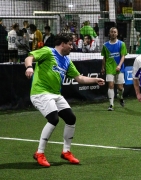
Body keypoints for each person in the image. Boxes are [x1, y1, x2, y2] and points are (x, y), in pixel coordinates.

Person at [24, 33, 105, 167]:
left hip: (55, 94)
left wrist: (95, 80)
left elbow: (80, 78)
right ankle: (40, 153)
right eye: (70, 44)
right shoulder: (48, 51)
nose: (72, 47)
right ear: (63, 44)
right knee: (54, 119)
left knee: (70, 118)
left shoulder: (67, 61)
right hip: (40, 93)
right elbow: (29, 57)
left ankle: (66, 152)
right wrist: (29, 67)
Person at [101, 27, 127, 111]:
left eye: (115, 32)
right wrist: (103, 67)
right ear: (109, 33)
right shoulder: (105, 45)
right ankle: (111, 105)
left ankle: (120, 97)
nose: (113, 33)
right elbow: (104, 57)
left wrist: (119, 65)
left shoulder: (121, 44)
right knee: (111, 85)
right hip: (109, 68)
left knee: (120, 88)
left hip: (119, 68)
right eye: (111, 32)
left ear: (117, 33)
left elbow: (123, 56)